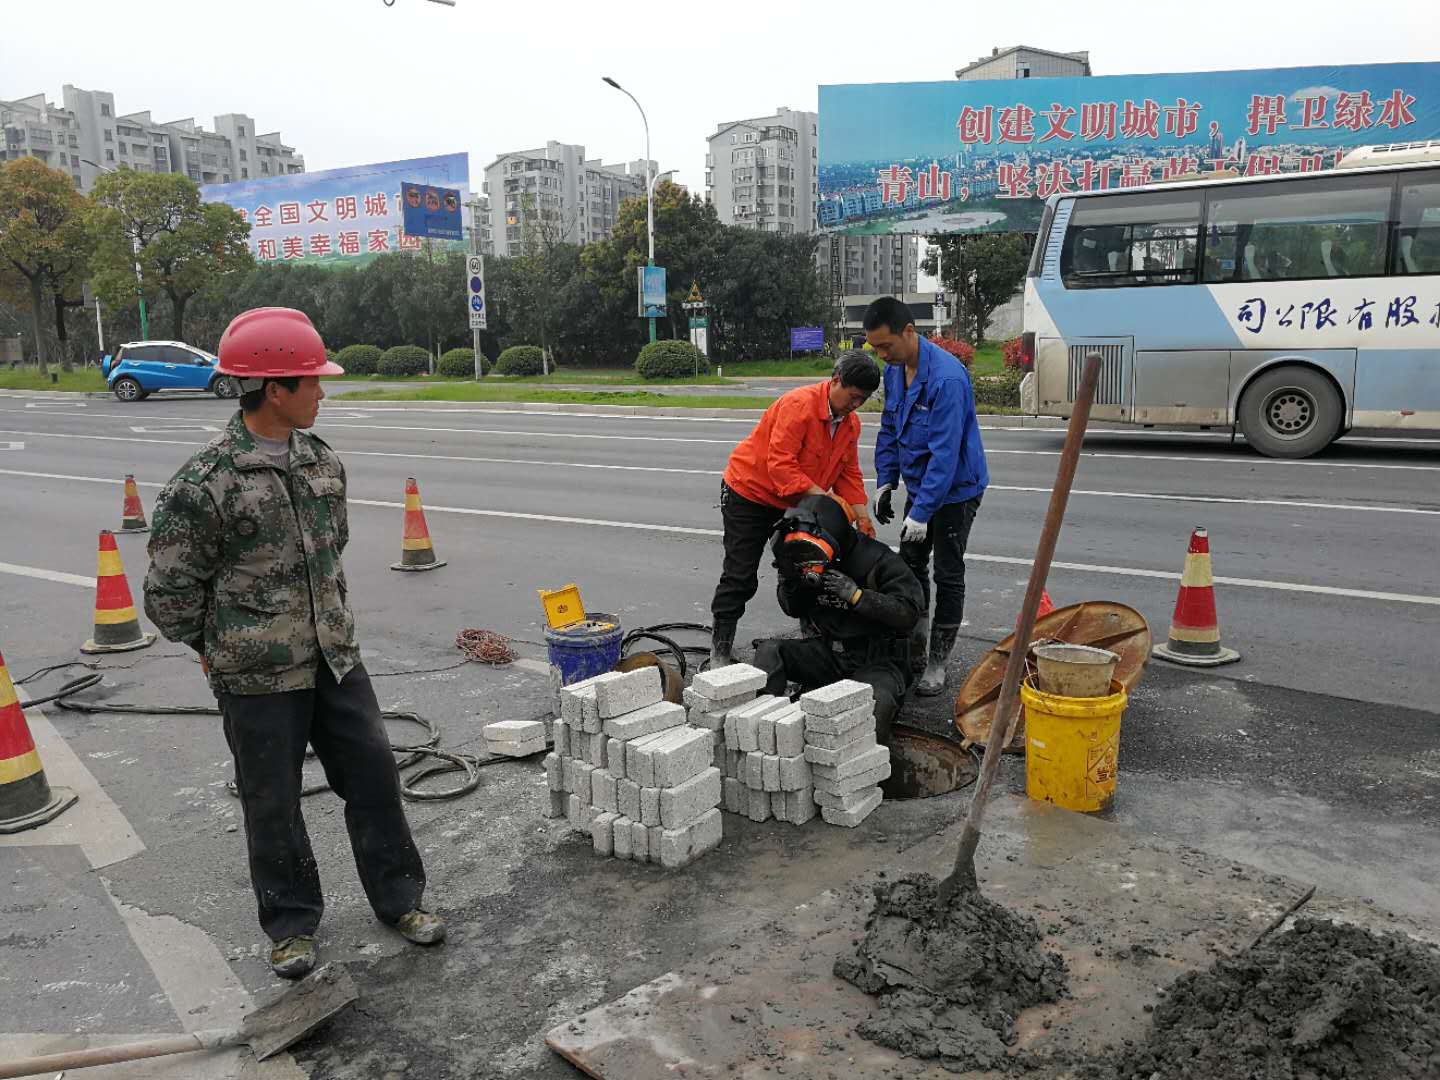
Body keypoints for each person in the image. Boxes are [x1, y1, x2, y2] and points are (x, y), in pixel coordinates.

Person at [143, 307, 443, 979]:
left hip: (336, 660)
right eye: (311, 380)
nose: (322, 391)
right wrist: (219, 644)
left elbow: (330, 551)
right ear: (273, 390)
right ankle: (291, 927)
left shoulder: (321, 464)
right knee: (271, 804)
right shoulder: (204, 484)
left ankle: (402, 902)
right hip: (256, 678)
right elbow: (168, 594)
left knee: (374, 779)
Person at [709, 350, 881, 667]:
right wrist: (826, 500)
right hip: (749, 494)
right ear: (836, 381)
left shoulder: (849, 424)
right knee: (740, 575)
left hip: (795, 500)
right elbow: (781, 467)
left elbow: (848, 473)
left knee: (808, 567)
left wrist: (861, 515)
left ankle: (812, 637)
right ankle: (720, 649)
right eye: (853, 397)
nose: (856, 405)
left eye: (863, 400)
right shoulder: (798, 406)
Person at [864, 296, 989, 697]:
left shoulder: (947, 380)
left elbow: (945, 454)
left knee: (948, 573)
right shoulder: (895, 373)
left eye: (887, 346)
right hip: (921, 488)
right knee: (911, 564)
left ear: (909, 332)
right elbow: (889, 429)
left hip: (955, 490)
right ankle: (915, 645)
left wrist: (920, 513)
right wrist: (886, 481)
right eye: (876, 348)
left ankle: (937, 661)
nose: (883, 355)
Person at [753, 494, 923, 742]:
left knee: (873, 707)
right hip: (830, 655)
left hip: (878, 661)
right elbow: (792, 609)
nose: (813, 565)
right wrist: (791, 580)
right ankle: (761, 732)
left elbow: (908, 614)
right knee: (771, 651)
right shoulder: (801, 559)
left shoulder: (878, 560)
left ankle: (865, 773)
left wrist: (857, 596)